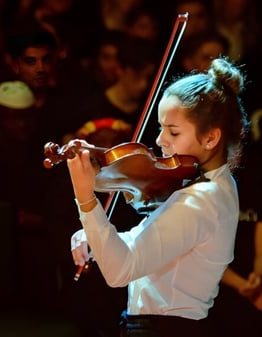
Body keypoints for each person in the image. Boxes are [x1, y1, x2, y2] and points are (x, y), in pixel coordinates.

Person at [65, 57, 249, 337]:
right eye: (162, 127)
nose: (161, 140)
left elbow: (120, 270)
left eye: (173, 131)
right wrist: (94, 235)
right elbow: (144, 244)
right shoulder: (218, 185)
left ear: (211, 138)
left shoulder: (200, 199)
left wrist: (86, 200)